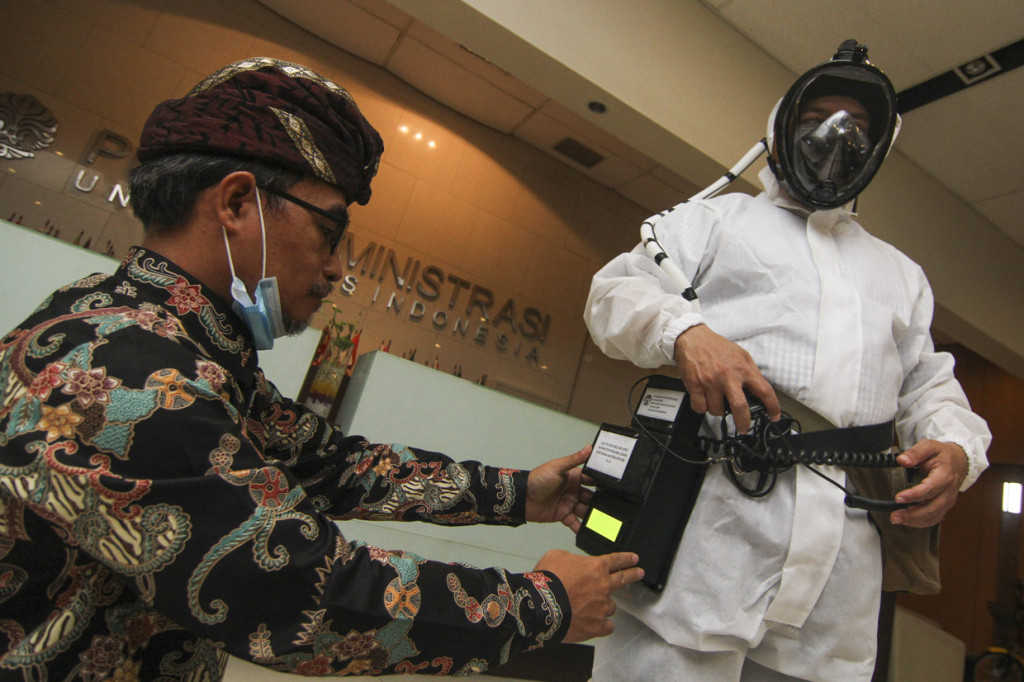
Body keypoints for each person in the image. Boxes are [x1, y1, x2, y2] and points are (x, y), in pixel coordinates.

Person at [0, 57, 643, 680]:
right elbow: (301, 593)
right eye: (330, 232)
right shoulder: (127, 376)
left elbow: (331, 464)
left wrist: (516, 491)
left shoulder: (145, 327)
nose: (337, 269)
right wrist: (545, 602)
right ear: (235, 203)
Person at [584, 41, 991, 681]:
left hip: (840, 571)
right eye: (816, 119)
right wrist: (687, 331)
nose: (836, 137)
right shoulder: (716, 221)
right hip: (708, 533)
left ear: (878, 149)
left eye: (858, 128)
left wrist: (957, 449)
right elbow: (613, 294)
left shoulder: (900, 275)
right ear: (780, 129)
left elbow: (926, 389)